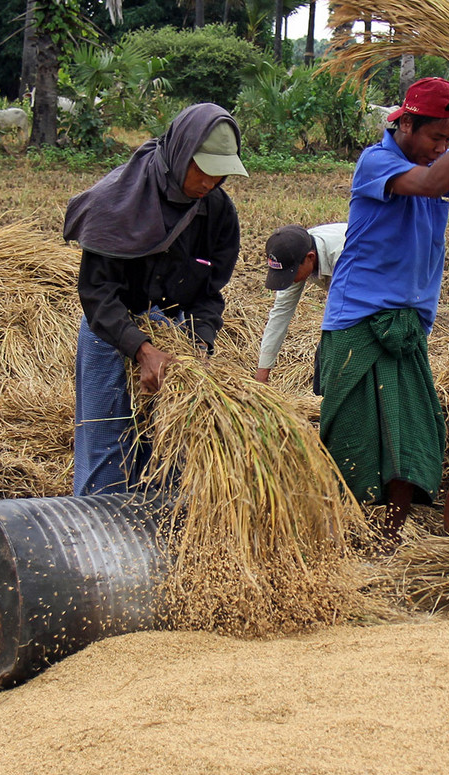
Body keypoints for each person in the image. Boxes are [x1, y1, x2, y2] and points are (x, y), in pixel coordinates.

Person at [317, 76, 449, 530]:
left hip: (408, 323)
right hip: (359, 318)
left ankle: (390, 531)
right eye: (436, 137)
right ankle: (340, 528)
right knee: (354, 435)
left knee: (407, 433)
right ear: (407, 124)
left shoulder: (439, 161)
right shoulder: (377, 161)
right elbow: (434, 183)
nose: (442, 148)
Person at [63, 103, 245, 496]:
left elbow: (210, 295)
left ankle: (154, 541)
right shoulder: (116, 201)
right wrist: (142, 351)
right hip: (112, 332)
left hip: (174, 335)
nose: (212, 180)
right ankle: (103, 541)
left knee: (168, 451)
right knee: (107, 446)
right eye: (205, 168)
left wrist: (195, 347)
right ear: (182, 153)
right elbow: (97, 295)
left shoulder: (217, 212)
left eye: (221, 171)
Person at [254, 222, 347, 388]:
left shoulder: (344, 254)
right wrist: (262, 373)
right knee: (326, 360)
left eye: (291, 274)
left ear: (310, 258)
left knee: (338, 359)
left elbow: (346, 314)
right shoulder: (294, 251)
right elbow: (281, 312)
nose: (289, 280)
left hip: (389, 289)